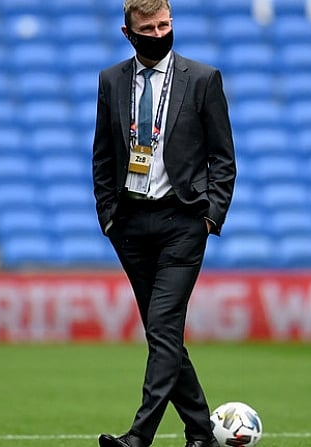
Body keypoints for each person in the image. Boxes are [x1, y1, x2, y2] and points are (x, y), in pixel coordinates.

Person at [92, 1, 236, 447]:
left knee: (163, 328)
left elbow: (223, 159)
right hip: (131, 224)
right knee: (164, 333)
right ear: (128, 32)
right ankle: (200, 433)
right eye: (148, 27)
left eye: (165, 24)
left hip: (182, 222)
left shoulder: (203, 79)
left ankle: (140, 436)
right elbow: (103, 156)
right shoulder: (110, 81)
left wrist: (210, 216)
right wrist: (109, 217)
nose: (158, 32)